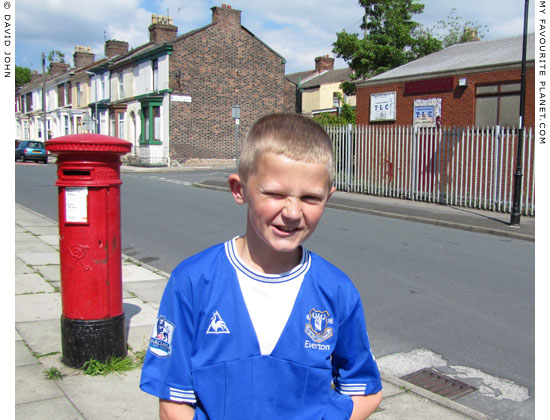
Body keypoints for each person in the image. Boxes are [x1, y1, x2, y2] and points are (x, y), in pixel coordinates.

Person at [140, 113, 383, 419]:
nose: (293, 212)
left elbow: (365, 390)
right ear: (239, 189)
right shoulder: (192, 282)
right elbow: (174, 400)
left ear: (328, 198)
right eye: (275, 193)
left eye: (310, 198)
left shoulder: (336, 290)